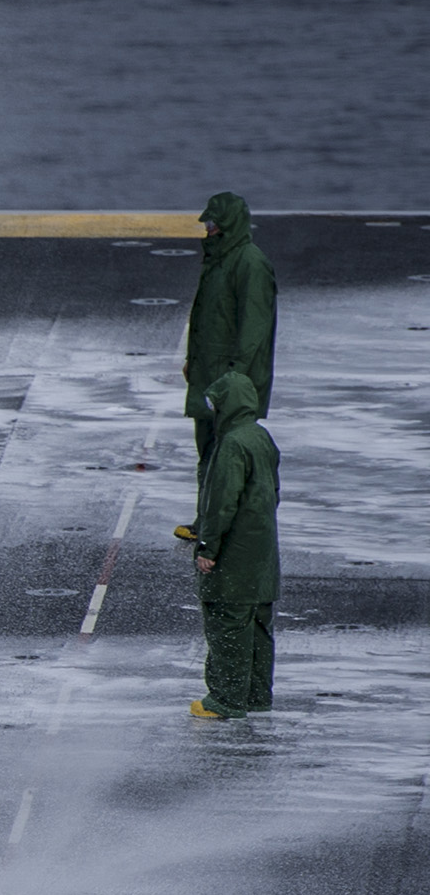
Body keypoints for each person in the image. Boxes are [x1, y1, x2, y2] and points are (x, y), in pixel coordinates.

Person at [174, 191, 276, 545]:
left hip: (228, 382)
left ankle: (217, 525)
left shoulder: (249, 263)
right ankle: (207, 521)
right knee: (210, 451)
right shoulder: (221, 260)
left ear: (228, 224)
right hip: (211, 376)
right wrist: (194, 361)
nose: (208, 228)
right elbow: (209, 320)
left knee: (225, 456)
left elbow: (253, 330)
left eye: (214, 222)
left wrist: (235, 381)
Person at [188, 370, 279, 719]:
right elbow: (275, 491)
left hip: (235, 555)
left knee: (228, 623)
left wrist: (208, 547)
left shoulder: (231, 445)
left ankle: (226, 699)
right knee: (258, 627)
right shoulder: (261, 438)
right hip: (263, 554)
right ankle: (257, 696)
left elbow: (220, 503)